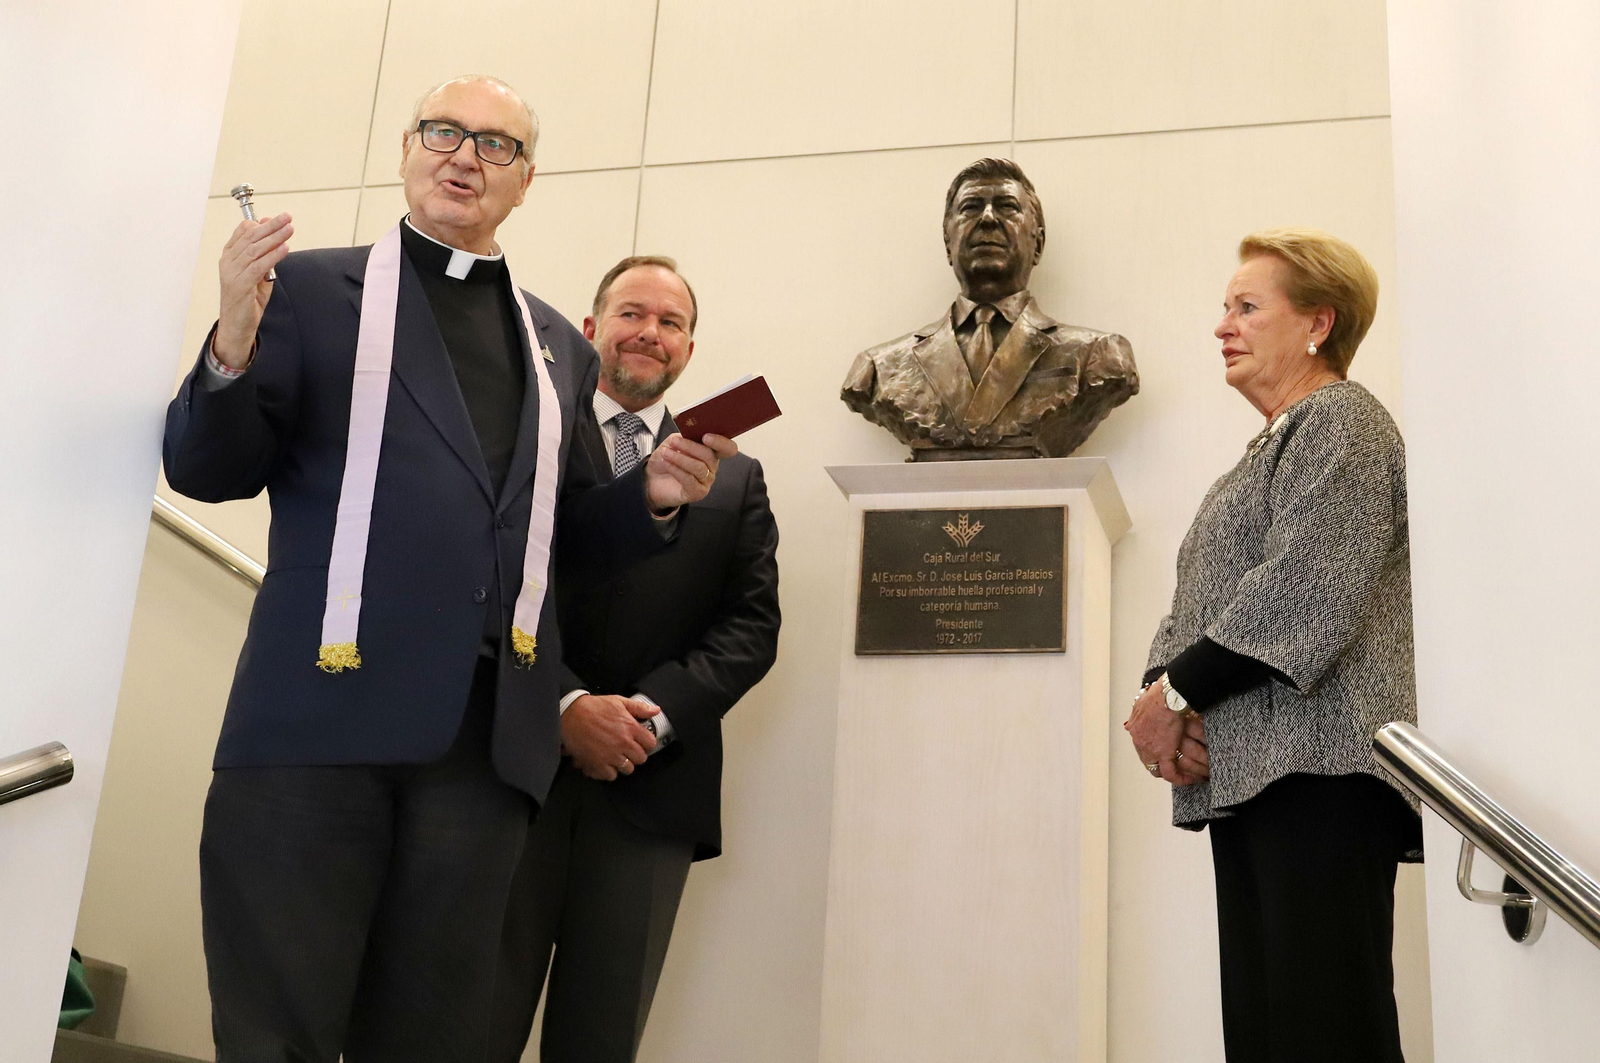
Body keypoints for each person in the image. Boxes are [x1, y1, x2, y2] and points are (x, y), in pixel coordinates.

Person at [162, 75, 735, 1063]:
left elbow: (558, 546)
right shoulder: (304, 290)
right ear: (405, 150)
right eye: (445, 132)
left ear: (525, 183)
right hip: (316, 728)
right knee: (277, 1031)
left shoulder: (558, 341)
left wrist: (650, 506)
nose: (465, 154)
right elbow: (207, 469)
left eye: (497, 145)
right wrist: (233, 337)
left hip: (481, 756)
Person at [1124, 229, 1421, 1063]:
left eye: (1248, 307)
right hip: (1253, 771)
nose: (1224, 325)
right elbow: (1203, 600)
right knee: (1266, 1037)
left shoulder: (1344, 422)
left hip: (1319, 773)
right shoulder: (1260, 453)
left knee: (1327, 1031)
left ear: (1319, 323)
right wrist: (1163, 697)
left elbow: (1305, 589)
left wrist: (1173, 696)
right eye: (1225, 308)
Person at [490, 256, 781, 1063]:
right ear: (590, 330)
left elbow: (750, 628)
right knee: (467, 1022)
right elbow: (489, 584)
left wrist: (650, 718)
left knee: (602, 1040)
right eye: (631, 313)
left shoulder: (737, 480)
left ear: (689, 349)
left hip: (653, 792)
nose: (650, 332)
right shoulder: (527, 437)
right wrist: (566, 705)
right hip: (512, 775)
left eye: (672, 322)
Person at [840, 157, 1139, 458]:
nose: (987, 218)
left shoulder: (1097, 356)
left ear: (1038, 244)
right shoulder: (878, 368)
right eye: (970, 207)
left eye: (1007, 206)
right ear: (948, 244)